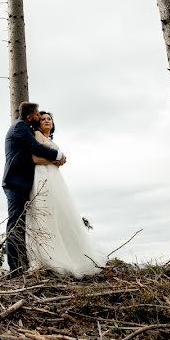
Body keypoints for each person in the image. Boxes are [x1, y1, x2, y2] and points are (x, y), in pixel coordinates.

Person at [26, 111, 106, 278]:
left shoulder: (50, 140)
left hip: (55, 178)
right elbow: (35, 158)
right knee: (44, 213)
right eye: (43, 119)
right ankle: (46, 258)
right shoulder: (37, 134)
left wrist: (57, 162)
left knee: (61, 215)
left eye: (49, 119)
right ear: (38, 123)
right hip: (42, 177)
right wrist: (55, 160)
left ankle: (68, 254)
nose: (47, 121)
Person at [2, 101, 64, 277]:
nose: (40, 118)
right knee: (15, 224)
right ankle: (15, 268)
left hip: (24, 182)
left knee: (23, 223)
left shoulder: (25, 127)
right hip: (15, 182)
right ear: (30, 116)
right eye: (38, 115)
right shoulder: (20, 127)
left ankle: (22, 264)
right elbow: (36, 149)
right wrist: (59, 156)